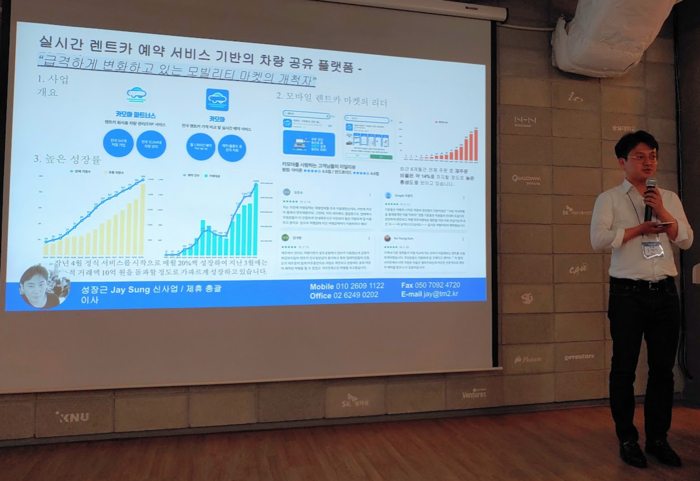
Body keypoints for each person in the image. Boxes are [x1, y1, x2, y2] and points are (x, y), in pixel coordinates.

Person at [591, 131, 693, 468]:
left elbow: (686, 240)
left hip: (665, 293)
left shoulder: (668, 197)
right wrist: (638, 230)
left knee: (663, 370)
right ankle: (627, 439)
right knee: (624, 368)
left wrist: (661, 210)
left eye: (653, 156)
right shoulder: (609, 199)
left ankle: (658, 439)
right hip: (627, 295)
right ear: (622, 162)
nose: (648, 162)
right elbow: (598, 239)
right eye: (639, 156)